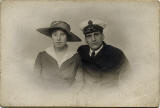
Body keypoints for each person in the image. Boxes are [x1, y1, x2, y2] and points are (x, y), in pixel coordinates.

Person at [77, 19, 129, 87]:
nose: (93, 39)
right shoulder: (82, 52)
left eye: (96, 34)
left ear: (103, 36)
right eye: (89, 36)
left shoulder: (116, 54)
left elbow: (128, 77)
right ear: (86, 40)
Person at [34, 21, 81, 89]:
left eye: (62, 34)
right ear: (51, 37)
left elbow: (80, 82)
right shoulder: (41, 56)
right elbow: (35, 82)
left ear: (67, 37)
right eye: (55, 34)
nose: (58, 38)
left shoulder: (76, 57)